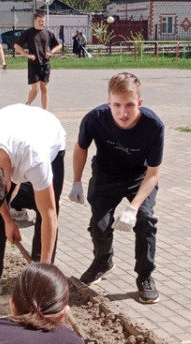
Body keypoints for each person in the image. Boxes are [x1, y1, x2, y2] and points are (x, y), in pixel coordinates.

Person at [70, 72, 164, 305]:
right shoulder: (95, 118)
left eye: (130, 105)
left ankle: (145, 276)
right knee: (99, 225)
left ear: (139, 103)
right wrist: (77, 181)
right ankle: (103, 261)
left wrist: (133, 208)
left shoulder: (153, 126)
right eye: (117, 105)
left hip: (139, 177)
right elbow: (81, 148)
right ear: (108, 102)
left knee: (145, 219)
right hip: (105, 175)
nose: (123, 112)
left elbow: (153, 174)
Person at [0, 105, 66, 302]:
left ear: (9, 184)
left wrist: (45, 269)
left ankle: (40, 276)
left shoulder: (36, 160)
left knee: (44, 210)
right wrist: (7, 219)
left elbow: (50, 214)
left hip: (47, 131)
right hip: (12, 125)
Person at [15, 12, 63, 110]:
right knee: (35, 88)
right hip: (33, 64)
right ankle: (27, 105)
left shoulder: (48, 33)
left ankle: (45, 110)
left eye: (43, 21)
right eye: (39, 21)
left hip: (45, 64)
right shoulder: (28, 33)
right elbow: (17, 46)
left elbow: (59, 45)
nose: (41, 23)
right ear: (34, 21)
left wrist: (51, 52)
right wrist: (27, 55)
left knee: (44, 87)